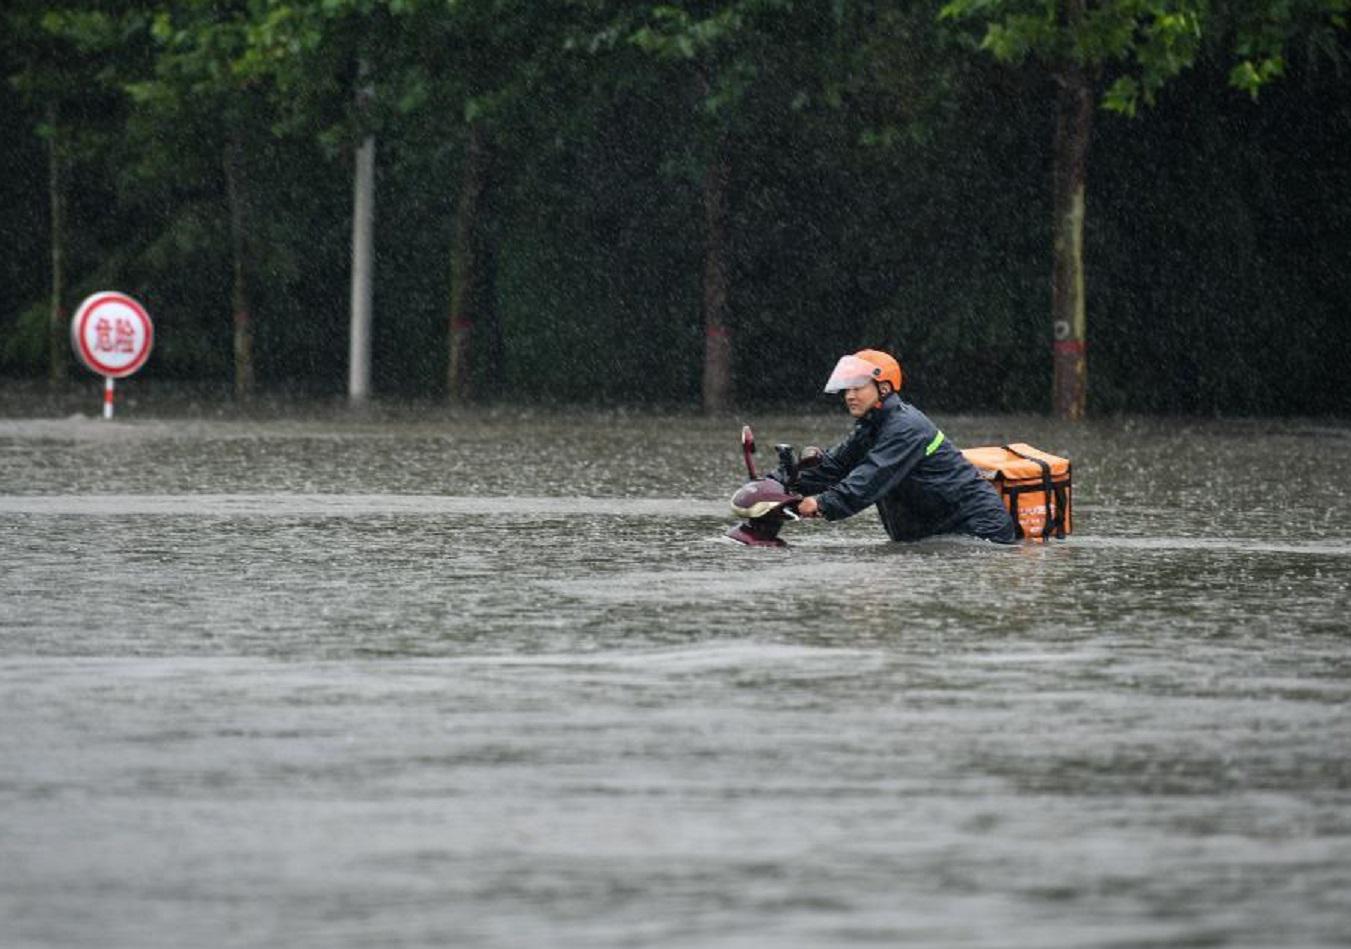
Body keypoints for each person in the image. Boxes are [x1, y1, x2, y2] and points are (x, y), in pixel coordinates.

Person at [782, 349, 1016, 543]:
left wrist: (819, 504)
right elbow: (832, 466)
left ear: (883, 388)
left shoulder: (906, 427)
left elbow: (869, 480)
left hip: (978, 533)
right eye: (847, 389)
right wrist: (775, 483)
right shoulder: (872, 426)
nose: (849, 395)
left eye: (858, 387)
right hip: (934, 532)